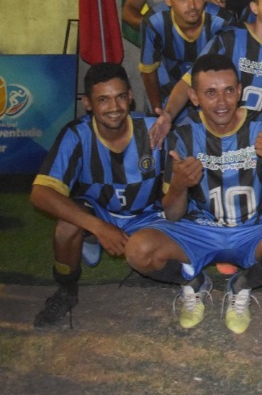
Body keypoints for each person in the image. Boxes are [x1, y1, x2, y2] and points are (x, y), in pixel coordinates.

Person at [125, 55, 262, 332]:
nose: (221, 102)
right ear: (194, 97)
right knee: (138, 250)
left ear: (240, 91)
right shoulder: (184, 135)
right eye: (210, 93)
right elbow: (173, 214)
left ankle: (242, 284)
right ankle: (192, 280)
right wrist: (178, 185)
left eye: (228, 91)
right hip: (200, 230)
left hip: (253, 229)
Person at [31, 64, 164, 329]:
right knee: (67, 226)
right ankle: (66, 291)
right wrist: (98, 227)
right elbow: (40, 193)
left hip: (148, 214)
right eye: (103, 99)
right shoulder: (76, 134)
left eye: (120, 97)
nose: (114, 107)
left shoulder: (154, 129)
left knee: (163, 262)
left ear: (130, 96)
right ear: (88, 103)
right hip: (100, 212)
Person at [149, 0, 262, 145]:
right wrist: (168, 114)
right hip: (213, 137)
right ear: (255, 8)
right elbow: (190, 81)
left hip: (252, 139)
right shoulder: (229, 39)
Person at [139, 0, 231, 116]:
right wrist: (158, 113)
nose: (192, 6)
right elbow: (148, 71)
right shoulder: (154, 22)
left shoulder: (222, 22)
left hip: (210, 91)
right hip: (167, 87)